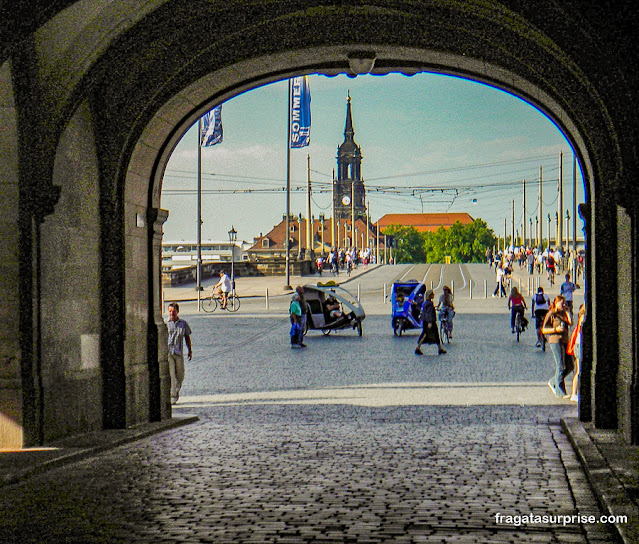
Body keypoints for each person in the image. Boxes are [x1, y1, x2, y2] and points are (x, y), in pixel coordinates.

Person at [541, 295, 574, 397]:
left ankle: (553, 381)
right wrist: (555, 330)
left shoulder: (564, 313)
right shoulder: (551, 313)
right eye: (561, 303)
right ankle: (560, 392)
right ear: (556, 303)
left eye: (564, 303)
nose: (563, 305)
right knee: (560, 365)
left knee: (570, 366)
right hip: (555, 340)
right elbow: (544, 329)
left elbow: (571, 323)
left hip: (565, 340)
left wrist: (568, 312)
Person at [167, 302, 192, 404]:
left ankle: (176, 391)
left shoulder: (183, 324)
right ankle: (172, 396)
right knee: (171, 376)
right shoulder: (165, 323)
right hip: (169, 353)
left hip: (178, 353)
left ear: (178, 311)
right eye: (170, 311)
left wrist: (190, 350)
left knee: (180, 376)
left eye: (173, 311)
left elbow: (187, 337)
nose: (171, 313)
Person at [415, 289, 447, 355]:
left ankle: (440, 348)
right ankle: (418, 348)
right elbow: (428, 313)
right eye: (432, 294)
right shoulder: (429, 303)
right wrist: (429, 322)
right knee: (425, 334)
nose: (434, 295)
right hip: (429, 322)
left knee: (434, 334)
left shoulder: (425, 302)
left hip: (427, 321)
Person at [567, 303, 586, 402]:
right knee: (579, 371)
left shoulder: (581, 317)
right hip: (579, 345)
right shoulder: (583, 318)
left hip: (579, 344)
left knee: (580, 370)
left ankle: (577, 392)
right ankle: (574, 393)